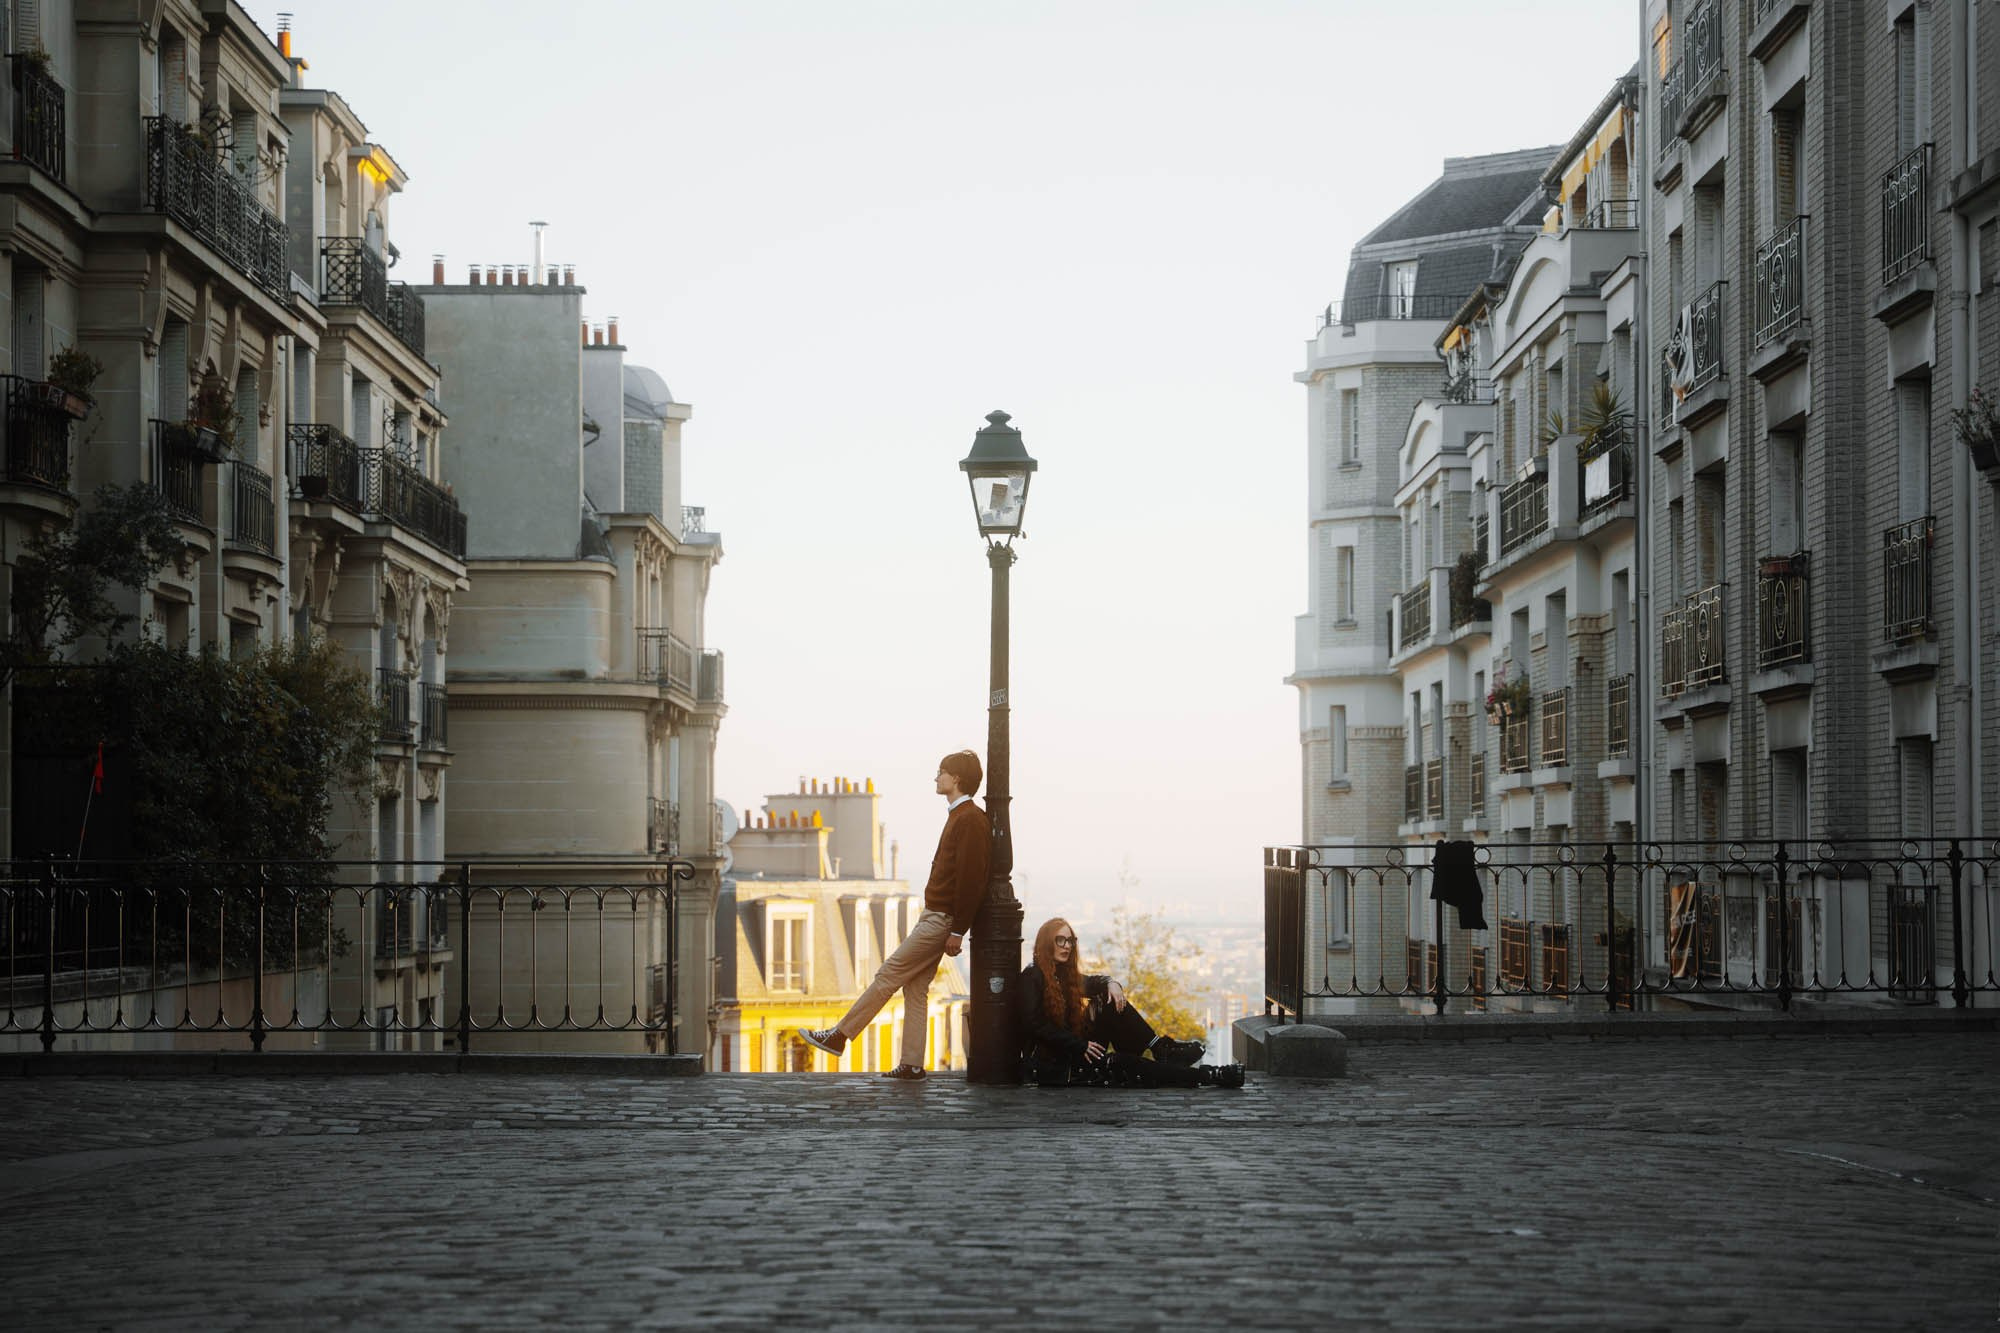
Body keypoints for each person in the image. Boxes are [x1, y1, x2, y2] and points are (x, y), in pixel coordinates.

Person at [799, 750, 990, 1079]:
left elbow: (972, 878)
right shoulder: (960, 816)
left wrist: (958, 930)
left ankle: (840, 1035)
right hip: (937, 916)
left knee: (888, 975)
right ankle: (912, 1064)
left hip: (940, 919)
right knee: (914, 988)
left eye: (941, 771)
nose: (936, 777)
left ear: (957, 778)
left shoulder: (970, 819)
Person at [1017, 917, 1244, 1088]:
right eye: (1060, 940)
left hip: (1077, 1050)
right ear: (1047, 943)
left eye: (1070, 940)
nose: (1067, 946)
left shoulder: (1063, 976)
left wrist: (1111, 983)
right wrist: (1080, 1045)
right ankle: (1211, 1075)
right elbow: (1035, 1026)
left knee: (1109, 1000)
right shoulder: (1032, 977)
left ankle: (1160, 1048)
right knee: (1128, 1065)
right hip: (1058, 1066)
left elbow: (1095, 983)